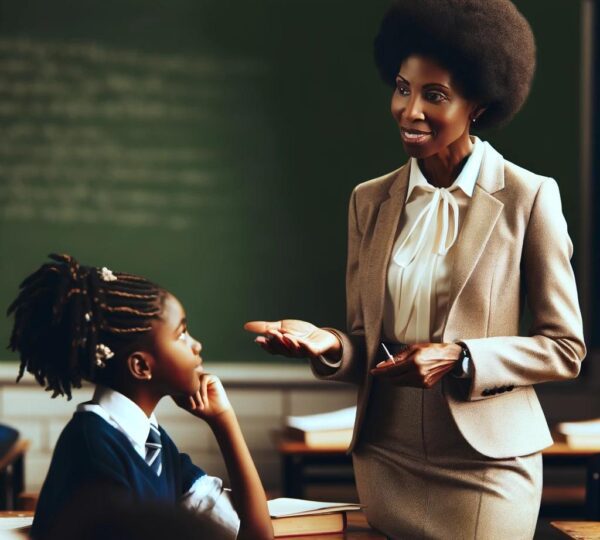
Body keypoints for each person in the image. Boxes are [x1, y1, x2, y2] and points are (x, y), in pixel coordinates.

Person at [245, 0, 586, 538]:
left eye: (435, 95)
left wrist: (459, 357)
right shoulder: (369, 201)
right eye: (403, 88)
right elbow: (367, 343)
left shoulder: (530, 197)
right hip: (386, 456)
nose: (410, 110)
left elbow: (565, 348)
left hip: (487, 465)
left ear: (477, 102)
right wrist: (329, 345)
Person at [8, 253, 273, 540]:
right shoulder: (93, 449)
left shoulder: (153, 445)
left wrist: (223, 420)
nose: (196, 345)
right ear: (141, 366)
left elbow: (257, 534)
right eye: (181, 334)